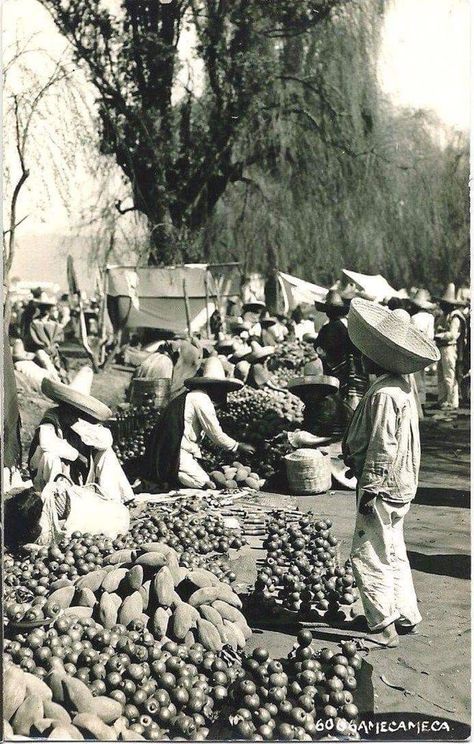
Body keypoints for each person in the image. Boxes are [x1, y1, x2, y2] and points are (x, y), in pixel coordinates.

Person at [342, 299, 439, 647]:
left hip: (383, 484)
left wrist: (369, 488)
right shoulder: (401, 386)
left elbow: (383, 445)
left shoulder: (384, 393)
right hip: (401, 483)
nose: (362, 357)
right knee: (393, 547)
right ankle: (406, 613)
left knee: (369, 552)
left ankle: (382, 625)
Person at [144, 356, 255, 489]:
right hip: (174, 450)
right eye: (221, 389)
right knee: (204, 483)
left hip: (170, 448)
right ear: (212, 387)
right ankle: (170, 475)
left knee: (204, 478)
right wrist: (237, 446)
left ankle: (170, 474)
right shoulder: (201, 399)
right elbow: (215, 433)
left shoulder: (192, 396)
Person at [28, 366, 133, 503]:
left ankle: (114, 500)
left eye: (77, 407)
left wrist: (79, 427)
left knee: (106, 453)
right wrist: (76, 456)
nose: (71, 410)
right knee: (50, 457)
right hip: (50, 475)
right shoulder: (53, 415)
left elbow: (106, 441)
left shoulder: (84, 421)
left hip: (78, 475)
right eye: (68, 404)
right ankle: (56, 502)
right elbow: (47, 443)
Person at [315, 290, 369, 414]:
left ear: (327, 313)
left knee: (340, 407)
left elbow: (318, 348)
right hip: (355, 373)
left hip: (337, 373)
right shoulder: (351, 326)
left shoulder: (327, 329)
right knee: (354, 407)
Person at [434, 283, 467, 410]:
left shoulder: (455, 317)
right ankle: (442, 399)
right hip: (442, 347)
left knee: (449, 375)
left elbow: (453, 334)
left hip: (449, 347)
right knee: (441, 375)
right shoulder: (444, 315)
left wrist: (439, 335)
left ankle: (452, 401)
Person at [408, 289, 435, 411]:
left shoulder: (413, 318)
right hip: (426, 347)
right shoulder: (430, 318)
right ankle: (422, 401)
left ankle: (416, 401)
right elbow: (431, 335)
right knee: (422, 375)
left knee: (415, 376)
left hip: (414, 347)